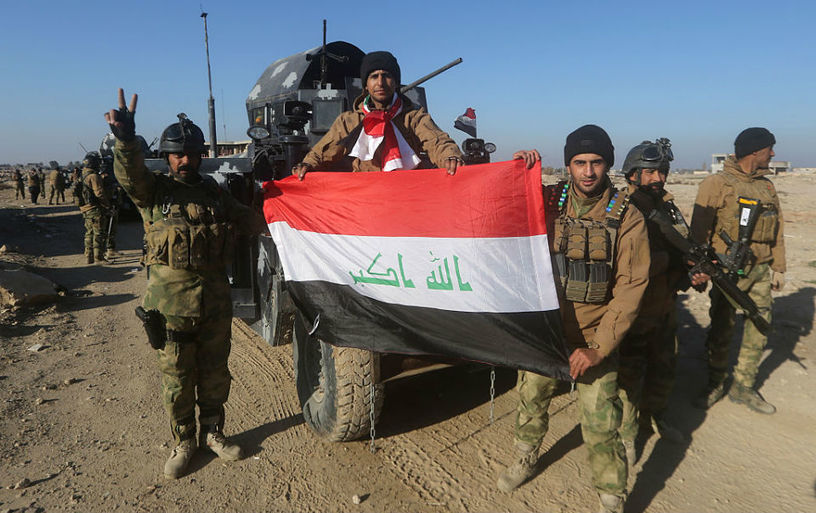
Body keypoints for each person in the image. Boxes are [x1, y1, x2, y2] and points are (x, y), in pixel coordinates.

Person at [106, 88, 268, 479]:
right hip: (171, 309)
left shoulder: (214, 195)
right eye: (178, 154)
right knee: (177, 379)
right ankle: (184, 441)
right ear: (167, 157)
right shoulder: (154, 193)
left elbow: (251, 220)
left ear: (200, 156)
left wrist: (285, 205)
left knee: (215, 374)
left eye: (192, 154)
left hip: (214, 305)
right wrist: (126, 140)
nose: (185, 160)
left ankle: (213, 433)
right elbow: (129, 175)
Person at [498, 125, 650, 513]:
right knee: (530, 400)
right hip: (547, 335)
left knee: (601, 424)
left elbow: (631, 287)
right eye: (579, 163)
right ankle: (525, 456)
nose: (588, 171)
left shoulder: (627, 217)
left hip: (594, 337)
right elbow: (502, 209)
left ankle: (611, 496)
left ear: (607, 164)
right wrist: (516, 171)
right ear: (568, 165)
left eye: (596, 162)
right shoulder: (550, 201)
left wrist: (598, 348)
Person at [615, 138, 709, 461]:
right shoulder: (622, 208)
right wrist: (667, 261)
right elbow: (624, 264)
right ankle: (627, 434)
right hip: (635, 309)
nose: (659, 178)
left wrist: (692, 273)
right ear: (633, 174)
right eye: (651, 172)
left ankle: (655, 416)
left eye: (663, 171)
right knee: (628, 375)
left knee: (664, 366)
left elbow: (681, 248)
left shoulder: (668, 207)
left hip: (665, 305)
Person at [690, 127, 785, 414]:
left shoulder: (767, 187)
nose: (773, 153)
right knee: (722, 327)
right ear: (755, 151)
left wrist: (779, 267)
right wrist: (698, 270)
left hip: (760, 268)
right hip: (727, 271)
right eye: (769, 148)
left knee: (760, 325)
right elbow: (699, 232)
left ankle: (744, 385)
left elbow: (778, 228)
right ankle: (716, 381)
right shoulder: (716, 184)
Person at [292, 50, 464, 178]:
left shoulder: (413, 117)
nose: (380, 83)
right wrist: (308, 165)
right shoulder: (349, 121)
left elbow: (436, 141)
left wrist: (450, 157)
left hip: (405, 192)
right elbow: (325, 150)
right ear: (366, 85)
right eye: (374, 76)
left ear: (395, 82)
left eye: (386, 76)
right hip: (365, 195)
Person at [78, 152, 111, 264]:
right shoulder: (93, 176)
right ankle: (98, 257)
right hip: (94, 208)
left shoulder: (82, 175)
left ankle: (89, 256)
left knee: (89, 233)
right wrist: (107, 205)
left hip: (85, 208)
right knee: (98, 233)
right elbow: (99, 193)